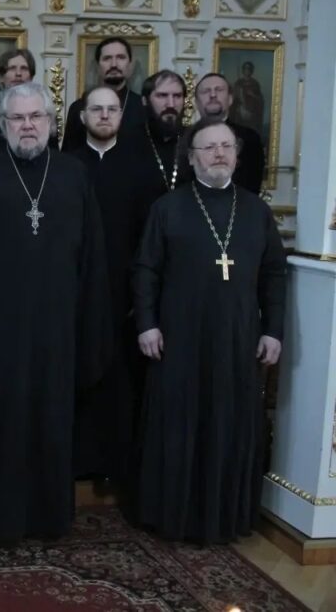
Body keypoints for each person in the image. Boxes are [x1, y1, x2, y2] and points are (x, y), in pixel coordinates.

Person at [0, 82, 112, 544]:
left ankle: (46, 514)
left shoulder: (73, 174)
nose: (27, 126)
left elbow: (91, 259)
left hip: (56, 326)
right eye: (17, 118)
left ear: (51, 123)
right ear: (4, 124)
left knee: (48, 419)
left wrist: (89, 325)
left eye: (36, 117)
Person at [133, 118, 286, 543]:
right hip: (179, 337)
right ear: (192, 157)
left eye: (226, 146)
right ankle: (173, 516)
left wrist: (273, 330)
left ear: (237, 155)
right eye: (209, 147)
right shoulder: (168, 208)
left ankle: (225, 517)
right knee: (180, 423)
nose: (219, 153)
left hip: (238, 337)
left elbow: (274, 274)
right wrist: (147, 324)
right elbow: (145, 270)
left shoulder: (256, 211)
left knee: (228, 424)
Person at [68, 86, 149, 484]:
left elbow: (149, 240)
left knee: (117, 381)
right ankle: (74, 462)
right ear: (82, 116)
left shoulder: (142, 170)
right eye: (96, 109)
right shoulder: (65, 166)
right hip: (71, 292)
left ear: (122, 116)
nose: (104, 115)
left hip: (122, 294)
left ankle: (112, 467)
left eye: (111, 109)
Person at [61, 37, 146, 152]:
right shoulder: (79, 107)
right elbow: (68, 155)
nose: (114, 64)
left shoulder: (143, 107)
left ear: (130, 64)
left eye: (121, 57)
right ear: (97, 66)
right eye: (107, 58)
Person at [195, 72, 266, 193]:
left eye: (219, 90)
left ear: (230, 99)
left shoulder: (250, 139)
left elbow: (252, 188)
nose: (213, 95)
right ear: (196, 102)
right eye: (206, 91)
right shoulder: (184, 137)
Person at [231, 61, 266, 137]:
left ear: (251, 71)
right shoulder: (238, 82)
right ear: (243, 70)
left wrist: (252, 95)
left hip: (252, 113)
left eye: (249, 69)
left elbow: (260, 99)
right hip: (240, 112)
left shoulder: (255, 83)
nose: (247, 71)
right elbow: (234, 98)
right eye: (245, 69)